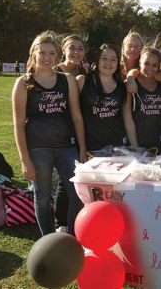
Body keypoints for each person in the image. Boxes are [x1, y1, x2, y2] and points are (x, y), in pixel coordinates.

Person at [12, 30, 87, 236]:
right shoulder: (23, 82)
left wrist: (82, 148)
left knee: (78, 194)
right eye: (42, 53)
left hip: (67, 147)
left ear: (57, 55)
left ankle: (71, 238)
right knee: (43, 198)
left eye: (51, 53)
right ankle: (49, 241)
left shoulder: (67, 79)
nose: (46, 58)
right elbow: (18, 125)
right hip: (38, 149)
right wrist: (25, 159)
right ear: (34, 53)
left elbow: (77, 117)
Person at [54, 33, 88, 233]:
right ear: (64, 50)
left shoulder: (84, 72)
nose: (76, 52)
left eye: (80, 48)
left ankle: (79, 219)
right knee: (64, 180)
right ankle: (61, 223)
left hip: (82, 129)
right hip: (61, 132)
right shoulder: (54, 71)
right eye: (72, 48)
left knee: (79, 176)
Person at [77, 44, 128, 151]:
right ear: (97, 60)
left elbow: (128, 119)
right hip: (93, 148)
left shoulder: (122, 86)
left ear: (118, 63)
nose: (108, 63)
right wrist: (82, 148)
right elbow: (76, 116)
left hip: (119, 147)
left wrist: (134, 147)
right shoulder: (82, 81)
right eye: (104, 58)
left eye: (113, 59)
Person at [124, 47, 161, 152]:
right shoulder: (131, 84)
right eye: (146, 63)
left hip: (159, 144)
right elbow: (128, 118)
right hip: (137, 144)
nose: (150, 68)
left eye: (155, 65)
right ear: (140, 62)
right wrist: (135, 147)